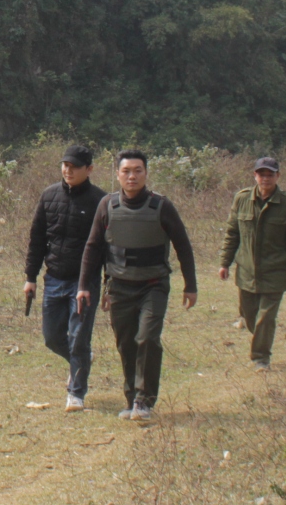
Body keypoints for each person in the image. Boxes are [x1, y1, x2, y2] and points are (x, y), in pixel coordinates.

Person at [76, 150, 198, 422]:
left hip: (153, 286)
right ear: (118, 174)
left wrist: (191, 285)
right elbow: (93, 247)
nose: (132, 176)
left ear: (146, 173)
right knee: (126, 344)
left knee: (148, 338)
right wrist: (84, 285)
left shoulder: (161, 206)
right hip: (119, 287)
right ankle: (132, 398)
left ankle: (144, 400)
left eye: (138, 170)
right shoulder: (107, 205)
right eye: (126, 171)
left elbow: (183, 245)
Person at [23, 145, 108, 412]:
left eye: (74, 167)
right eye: (65, 165)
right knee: (51, 337)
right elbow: (37, 239)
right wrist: (31, 277)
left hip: (85, 282)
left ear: (89, 170)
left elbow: (109, 248)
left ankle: (76, 393)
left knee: (79, 337)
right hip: (54, 279)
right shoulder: (49, 196)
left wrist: (108, 285)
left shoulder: (101, 201)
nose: (68, 171)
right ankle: (80, 359)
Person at [218, 157, 286, 371]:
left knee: (266, 317)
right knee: (251, 317)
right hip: (247, 271)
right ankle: (261, 340)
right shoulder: (242, 199)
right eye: (261, 174)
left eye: (270, 174)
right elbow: (232, 233)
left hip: (276, 271)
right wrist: (225, 263)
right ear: (254, 175)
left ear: (278, 176)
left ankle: (261, 358)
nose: (265, 178)